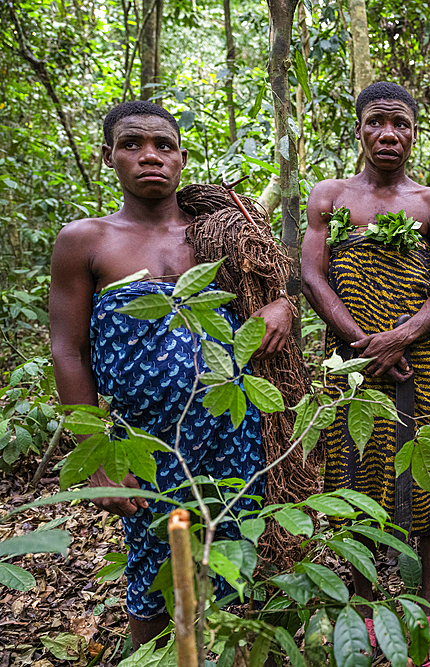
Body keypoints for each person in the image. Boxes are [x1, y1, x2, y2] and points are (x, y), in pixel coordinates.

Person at [49, 101, 295, 646]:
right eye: (132, 144)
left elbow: (269, 295)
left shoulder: (221, 234)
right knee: (155, 572)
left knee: (234, 560)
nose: (150, 156)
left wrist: (282, 307)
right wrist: (100, 460)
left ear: (182, 157)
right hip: (147, 444)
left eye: (163, 145)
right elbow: (68, 351)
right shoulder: (85, 240)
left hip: (234, 433)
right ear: (108, 156)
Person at [301, 82, 430, 664]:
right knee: (357, 477)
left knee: (429, 475)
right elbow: (313, 278)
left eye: (400, 124)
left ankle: (427, 605)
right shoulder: (329, 195)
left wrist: (402, 336)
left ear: (415, 132)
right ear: (360, 130)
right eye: (376, 123)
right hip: (353, 363)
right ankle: (366, 604)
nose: (388, 134)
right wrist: (362, 343)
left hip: (423, 360)